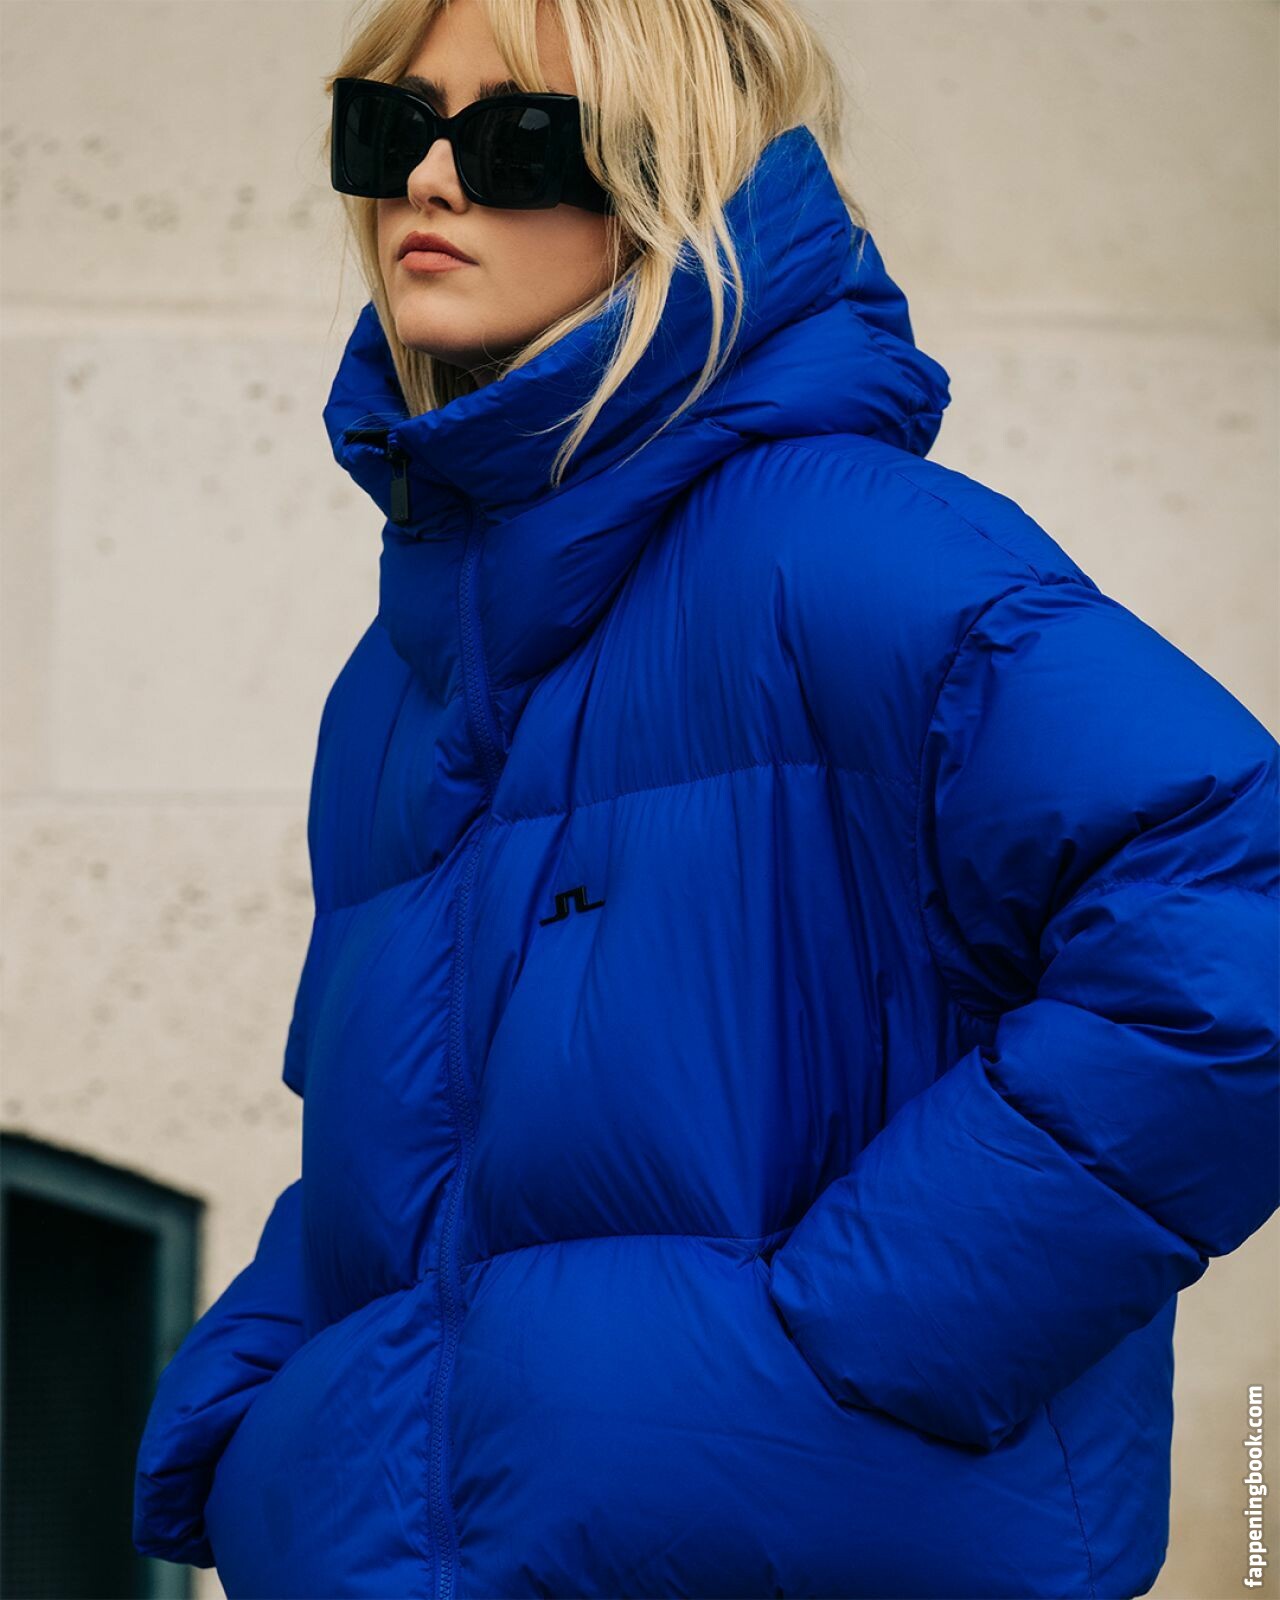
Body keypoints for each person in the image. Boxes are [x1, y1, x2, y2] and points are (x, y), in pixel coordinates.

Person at [132, 0, 1280, 1596]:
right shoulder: (397, 683)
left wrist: (869, 1336)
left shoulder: (853, 551)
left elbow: (1237, 924)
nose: (431, 183)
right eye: (390, 128)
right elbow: (401, 1138)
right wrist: (264, 1402)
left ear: (672, 176)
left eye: (521, 137)